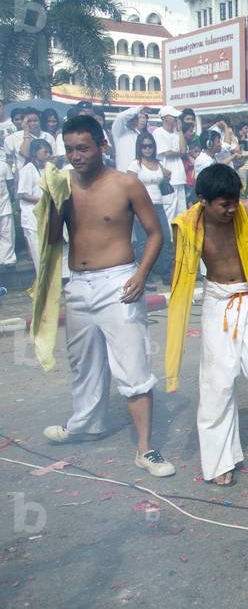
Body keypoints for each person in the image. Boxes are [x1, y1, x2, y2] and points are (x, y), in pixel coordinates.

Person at [33, 116, 174, 477]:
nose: (76, 156)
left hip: (119, 281)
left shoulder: (126, 183)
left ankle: (145, 449)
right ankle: (85, 425)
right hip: (78, 283)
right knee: (84, 364)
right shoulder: (63, 186)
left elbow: (156, 233)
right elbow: (52, 240)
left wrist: (141, 275)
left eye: (83, 148)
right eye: (70, 149)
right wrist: (52, 205)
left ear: (102, 146)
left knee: (132, 368)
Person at [162, 164, 248, 486]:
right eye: (223, 203)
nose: (230, 209)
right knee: (218, 383)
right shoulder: (186, 225)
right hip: (217, 300)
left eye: (234, 201)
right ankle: (220, 460)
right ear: (202, 201)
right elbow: (179, 267)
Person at [126, 132, 173, 285]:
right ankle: (146, 276)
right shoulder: (135, 164)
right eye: (144, 146)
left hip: (158, 204)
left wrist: (167, 177)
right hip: (141, 206)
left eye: (150, 146)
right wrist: (133, 211)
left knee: (165, 238)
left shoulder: (158, 164)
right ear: (139, 148)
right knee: (143, 242)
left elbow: (162, 181)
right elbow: (129, 186)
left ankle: (166, 275)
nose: (147, 149)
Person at [17, 138, 53, 271]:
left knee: (48, 253)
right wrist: (42, 200)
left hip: (45, 215)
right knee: (38, 253)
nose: (48, 155)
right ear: (35, 152)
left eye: (49, 152)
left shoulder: (46, 169)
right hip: (32, 217)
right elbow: (23, 194)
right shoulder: (28, 169)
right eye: (45, 152)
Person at [153, 106, 188, 223]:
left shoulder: (177, 133)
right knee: (169, 211)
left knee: (182, 212)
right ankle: (169, 240)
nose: (176, 118)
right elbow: (166, 153)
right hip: (168, 177)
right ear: (165, 118)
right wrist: (178, 152)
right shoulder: (158, 133)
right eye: (173, 116)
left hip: (179, 176)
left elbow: (183, 151)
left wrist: (180, 130)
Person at [111, 106, 148, 172]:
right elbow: (121, 116)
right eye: (132, 119)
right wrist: (138, 109)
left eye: (136, 119)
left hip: (139, 172)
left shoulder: (138, 134)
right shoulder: (119, 132)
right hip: (124, 171)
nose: (135, 121)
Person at [0, 154, 13, 269]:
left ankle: (7, 259)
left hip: (4, 205)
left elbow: (10, 183)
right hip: (4, 204)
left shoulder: (3, 166)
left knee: (7, 233)